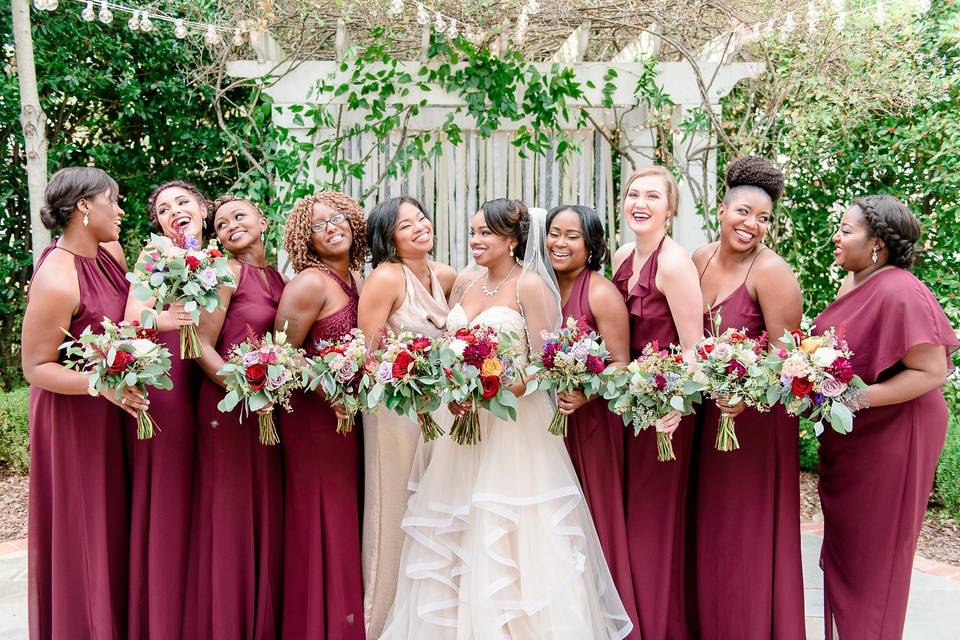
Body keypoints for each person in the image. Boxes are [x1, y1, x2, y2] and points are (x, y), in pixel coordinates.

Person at [381, 199, 633, 639]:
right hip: (462, 428)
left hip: (515, 428)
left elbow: (543, 363)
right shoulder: (463, 282)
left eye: (485, 234)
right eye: (473, 232)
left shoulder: (530, 286)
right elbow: (447, 344)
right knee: (458, 531)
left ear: (512, 240)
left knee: (511, 534)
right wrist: (452, 389)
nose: (475, 241)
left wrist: (495, 392)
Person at [813, 195, 957, 639]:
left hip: (898, 431)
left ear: (876, 244)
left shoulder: (900, 290)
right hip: (858, 432)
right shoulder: (852, 283)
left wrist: (857, 401)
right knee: (849, 549)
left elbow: (933, 371)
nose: (836, 237)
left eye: (845, 230)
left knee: (876, 557)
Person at [23, 167, 145, 639]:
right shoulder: (56, 277)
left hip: (114, 408)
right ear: (84, 207)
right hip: (74, 416)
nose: (120, 210)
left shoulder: (109, 252)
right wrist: (104, 386)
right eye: (112, 200)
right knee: (87, 530)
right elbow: (35, 367)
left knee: (117, 524)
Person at [691, 156, 805, 639]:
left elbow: (790, 361)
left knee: (742, 532)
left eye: (763, 219)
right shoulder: (696, 259)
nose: (752, 225)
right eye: (743, 212)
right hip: (704, 415)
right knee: (707, 527)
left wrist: (745, 392)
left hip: (753, 423)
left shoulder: (773, 273)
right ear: (722, 210)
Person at [182, 196, 284, 639]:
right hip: (228, 409)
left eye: (239, 216)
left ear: (263, 220)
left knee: (265, 509)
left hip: (268, 409)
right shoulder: (224, 274)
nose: (230, 226)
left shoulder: (280, 277)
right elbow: (200, 343)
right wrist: (243, 388)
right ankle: (229, 622)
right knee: (231, 516)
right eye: (220, 225)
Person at [356, 196, 455, 637]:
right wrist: (407, 374)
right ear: (388, 239)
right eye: (404, 225)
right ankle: (383, 622)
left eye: (421, 218)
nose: (419, 227)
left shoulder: (444, 274)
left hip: (439, 411)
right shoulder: (386, 277)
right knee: (396, 507)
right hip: (395, 410)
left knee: (435, 506)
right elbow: (368, 354)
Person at [611, 166, 704, 638]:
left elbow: (695, 348)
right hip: (630, 407)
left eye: (652, 195)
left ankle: (656, 627)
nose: (639, 203)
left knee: (653, 522)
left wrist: (678, 404)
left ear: (671, 209)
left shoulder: (674, 264)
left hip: (666, 413)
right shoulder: (625, 255)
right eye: (633, 194)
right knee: (628, 516)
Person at [274, 191, 367, 639]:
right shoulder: (310, 283)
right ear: (304, 240)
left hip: (350, 420)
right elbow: (279, 357)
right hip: (314, 420)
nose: (332, 228)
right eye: (318, 225)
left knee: (346, 517)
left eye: (337, 219)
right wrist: (328, 381)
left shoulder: (357, 277)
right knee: (321, 519)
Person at [545, 204, 639, 635]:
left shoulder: (600, 292)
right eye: (554, 234)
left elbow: (622, 363)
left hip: (593, 424)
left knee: (593, 519)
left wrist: (585, 393)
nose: (559, 244)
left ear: (591, 245)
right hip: (547, 426)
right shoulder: (541, 287)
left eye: (572, 237)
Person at [124, 180, 207, 639]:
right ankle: (167, 614)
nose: (173, 211)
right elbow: (132, 315)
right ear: (156, 223)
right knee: (174, 489)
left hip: (212, 378)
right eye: (162, 208)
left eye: (181, 202)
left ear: (201, 207)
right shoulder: (152, 255)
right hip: (170, 378)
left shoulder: (218, 255)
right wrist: (166, 318)